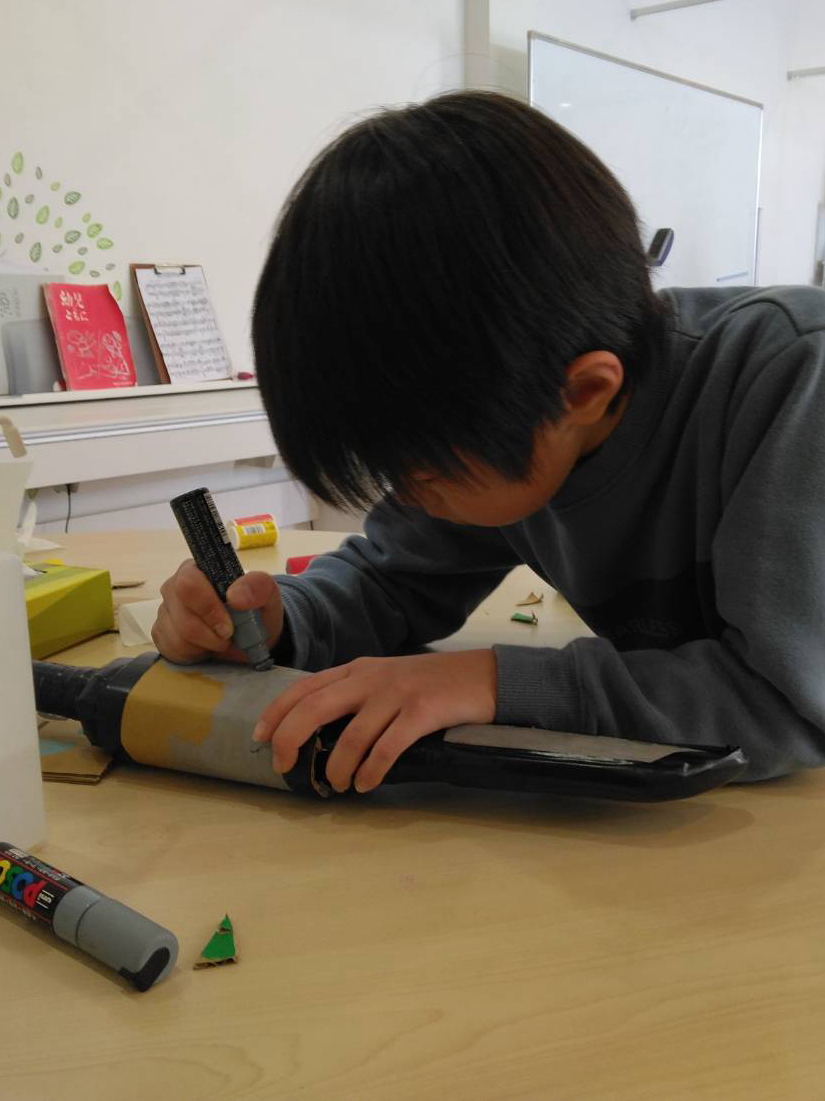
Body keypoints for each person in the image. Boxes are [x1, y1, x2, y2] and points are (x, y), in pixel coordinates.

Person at [152, 90, 825, 794]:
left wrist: (493, 681)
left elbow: (789, 702)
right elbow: (391, 579)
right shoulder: (514, 406)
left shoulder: (793, 379)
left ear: (583, 393)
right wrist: (282, 619)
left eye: (423, 470)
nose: (407, 496)